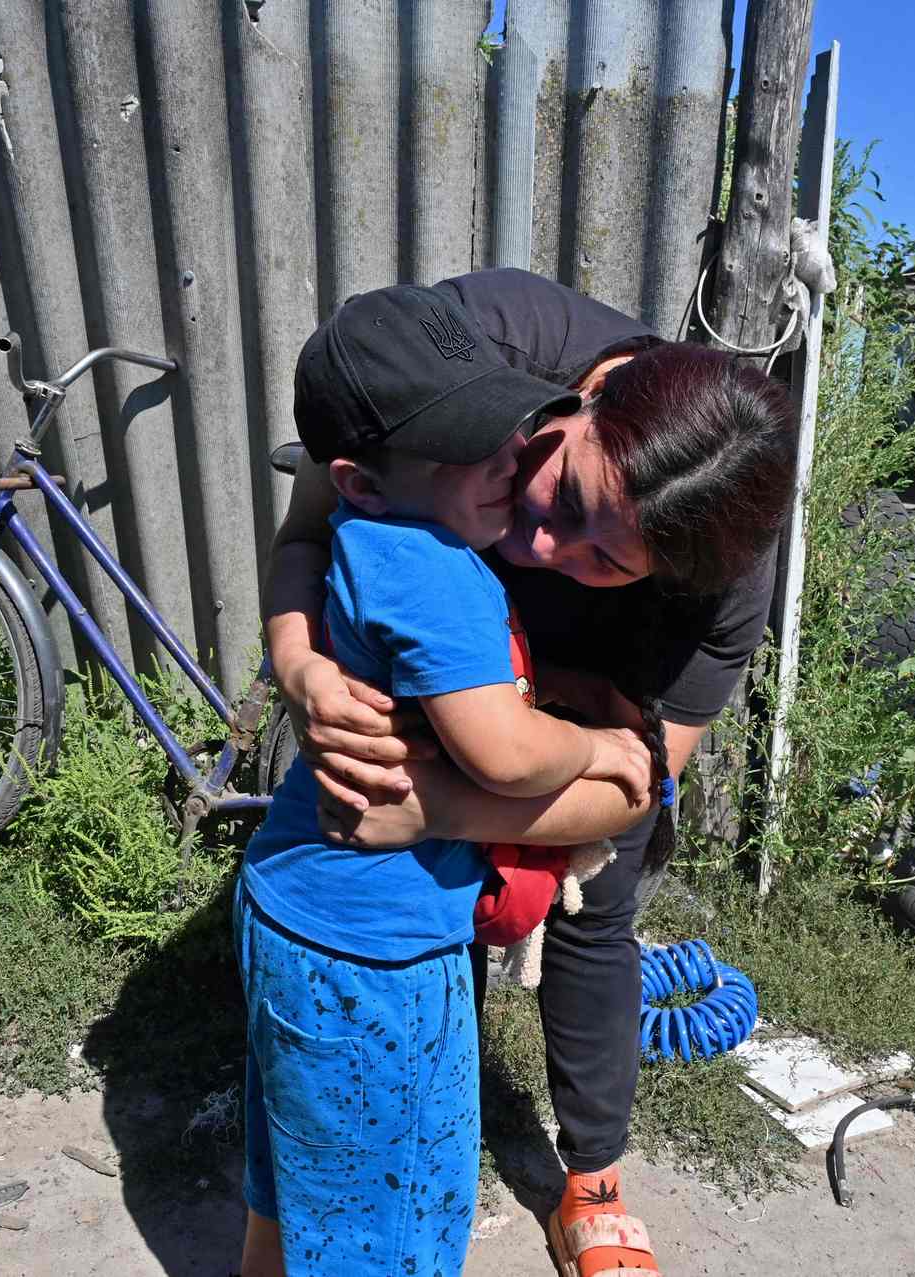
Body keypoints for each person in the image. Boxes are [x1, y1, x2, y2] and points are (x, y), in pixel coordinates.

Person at [264, 268, 796, 1277]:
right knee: (431, 912)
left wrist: (435, 807)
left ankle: (591, 1178)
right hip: (435, 680)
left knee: (597, 912)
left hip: (590, 709)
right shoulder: (473, 346)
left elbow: (635, 780)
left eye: (606, 557)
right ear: (578, 400)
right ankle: (423, 1109)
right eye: (565, 491)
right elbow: (308, 530)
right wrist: (300, 668)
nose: (545, 542)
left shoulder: (725, 575)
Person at [236, 285, 659, 1277]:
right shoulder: (438, 570)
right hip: (374, 954)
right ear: (365, 479)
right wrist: (599, 747)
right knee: (385, 1218)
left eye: (506, 425)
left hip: (295, 909)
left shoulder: (374, 531)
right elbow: (506, 754)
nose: (511, 455)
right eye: (467, 446)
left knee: (298, 1175)